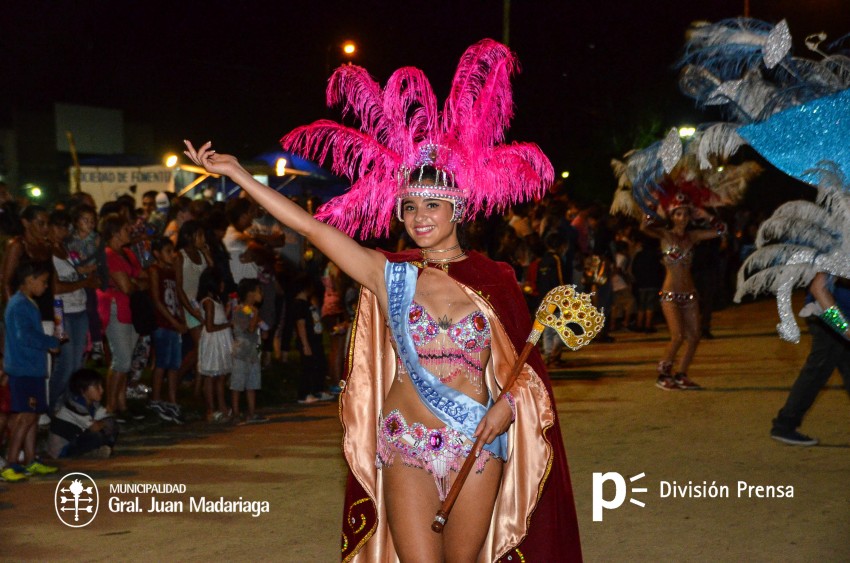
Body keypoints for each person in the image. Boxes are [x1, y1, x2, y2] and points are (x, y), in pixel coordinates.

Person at [184, 38, 582, 562]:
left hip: (477, 446)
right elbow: (308, 226)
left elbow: (527, 374)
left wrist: (507, 408)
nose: (419, 217)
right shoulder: (388, 272)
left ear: (458, 209)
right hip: (406, 442)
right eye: (410, 206)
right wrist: (237, 174)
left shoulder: (495, 279)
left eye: (433, 205)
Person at [641, 187, 726, 390]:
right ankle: (663, 374)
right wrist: (654, 203)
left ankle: (681, 374)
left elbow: (721, 230)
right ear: (671, 216)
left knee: (695, 336)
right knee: (677, 336)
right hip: (669, 294)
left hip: (690, 295)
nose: (683, 218)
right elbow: (644, 226)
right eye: (678, 214)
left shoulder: (693, 236)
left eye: (686, 214)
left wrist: (706, 215)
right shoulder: (664, 234)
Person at [2, 260, 60, 482]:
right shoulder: (18, 305)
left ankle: (30, 460)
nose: (46, 286)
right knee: (26, 417)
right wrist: (49, 341)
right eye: (43, 282)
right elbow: (23, 336)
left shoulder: (25, 303)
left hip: (31, 368)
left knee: (33, 417)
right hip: (23, 369)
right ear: (30, 280)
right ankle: (11, 463)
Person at [96, 213, 148, 420]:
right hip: (117, 307)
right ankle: (110, 405)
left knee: (125, 359)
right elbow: (129, 286)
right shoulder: (109, 255)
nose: (130, 232)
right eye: (126, 229)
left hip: (130, 308)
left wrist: (135, 283)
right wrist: (136, 283)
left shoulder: (126, 253)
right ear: (115, 233)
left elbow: (142, 278)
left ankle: (120, 404)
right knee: (122, 360)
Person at [49, 209, 99, 412]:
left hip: (79, 307)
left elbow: (80, 273)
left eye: (65, 226)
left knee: (77, 364)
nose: (63, 231)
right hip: (60, 309)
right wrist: (84, 282)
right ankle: (51, 406)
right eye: (59, 226)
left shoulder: (67, 249)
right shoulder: (48, 253)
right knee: (65, 363)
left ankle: (69, 407)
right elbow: (56, 288)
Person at [147, 237, 187, 424]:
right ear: (157, 253)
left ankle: (172, 400)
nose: (172, 255)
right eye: (168, 251)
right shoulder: (155, 271)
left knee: (174, 364)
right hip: (163, 324)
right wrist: (173, 320)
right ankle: (155, 399)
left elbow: (177, 294)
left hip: (173, 322)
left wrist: (181, 318)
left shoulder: (171, 271)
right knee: (162, 362)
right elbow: (157, 300)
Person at [174, 221, 212, 397]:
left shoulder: (201, 254)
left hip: (201, 306)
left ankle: (197, 388)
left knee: (202, 349)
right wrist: (188, 309)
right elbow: (179, 287)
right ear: (189, 236)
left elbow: (212, 274)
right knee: (201, 347)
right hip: (190, 306)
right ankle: (177, 379)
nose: (203, 239)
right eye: (200, 235)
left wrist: (206, 253)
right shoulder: (180, 256)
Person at [47, 368, 117, 459]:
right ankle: (92, 453)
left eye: (101, 386)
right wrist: (104, 424)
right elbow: (95, 427)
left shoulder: (93, 405)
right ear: (83, 390)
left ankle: (97, 451)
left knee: (112, 427)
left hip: (76, 439)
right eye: (96, 387)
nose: (102, 390)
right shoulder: (74, 406)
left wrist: (104, 423)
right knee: (96, 436)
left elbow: (109, 417)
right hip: (62, 449)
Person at [66, 204, 104, 361]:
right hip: (71, 283)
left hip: (88, 280)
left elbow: (101, 260)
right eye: (85, 220)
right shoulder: (68, 239)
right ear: (76, 222)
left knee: (91, 309)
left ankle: (96, 342)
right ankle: (75, 346)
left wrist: (89, 269)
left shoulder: (95, 238)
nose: (89, 224)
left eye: (92, 221)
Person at [196, 268, 231, 423]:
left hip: (221, 340)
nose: (223, 284)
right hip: (213, 341)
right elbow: (210, 327)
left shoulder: (217, 301)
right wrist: (229, 325)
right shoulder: (208, 302)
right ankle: (211, 409)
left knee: (221, 376)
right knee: (211, 376)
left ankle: (222, 407)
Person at [292, 274, 331, 405]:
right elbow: (300, 324)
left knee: (319, 365)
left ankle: (317, 391)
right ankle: (303, 395)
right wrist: (305, 344)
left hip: (315, 340)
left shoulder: (307, 303)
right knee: (308, 367)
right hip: (308, 341)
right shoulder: (298, 304)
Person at [230, 277, 265, 423]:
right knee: (237, 384)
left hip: (252, 352)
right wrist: (256, 316)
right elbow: (250, 329)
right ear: (250, 293)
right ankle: (236, 413)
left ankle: (251, 413)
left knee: (252, 383)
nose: (261, 294)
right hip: (241, 352)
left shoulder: (250, 310)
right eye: (258, 291)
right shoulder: (240, 309)